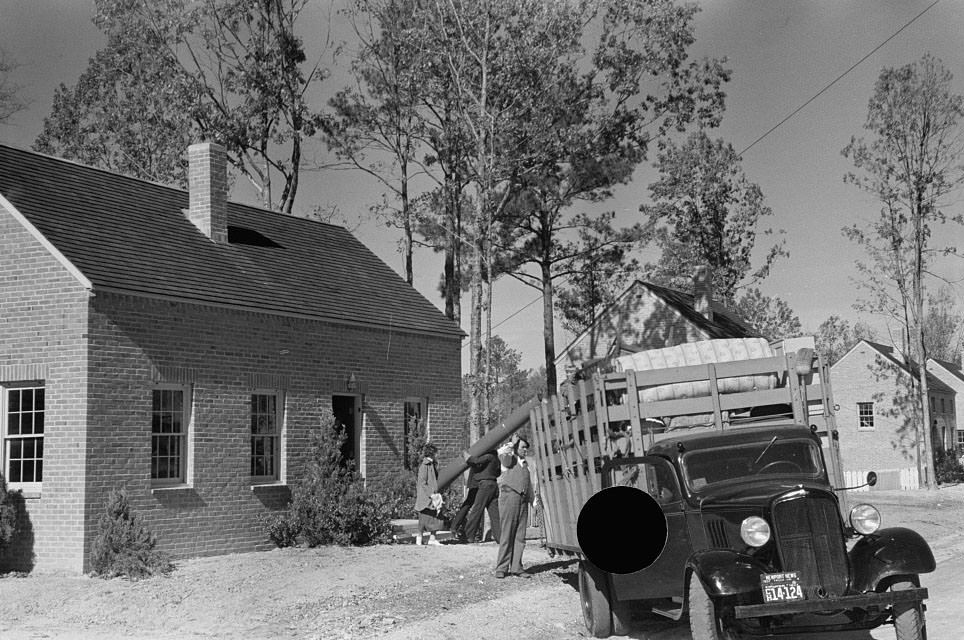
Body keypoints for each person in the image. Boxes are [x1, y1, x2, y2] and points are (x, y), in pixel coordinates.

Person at [494, 435, 540, 578]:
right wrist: (511, 444)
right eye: (522, 447)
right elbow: (502, 453)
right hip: (509, 499)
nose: (525, 450)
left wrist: (533, 501)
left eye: (526, 447)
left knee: (520, 536)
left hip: (523, 501)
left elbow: (529, 485)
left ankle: (516, 567)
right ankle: (501, 568)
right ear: (515, 447)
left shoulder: (525, 464)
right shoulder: (508, 459)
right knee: (507, 534)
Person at [462, 447, 501, 543]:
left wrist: (467, 456)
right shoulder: (496, 459)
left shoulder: (488, 456)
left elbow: (475, 461)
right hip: (494, 485)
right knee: (494, 514)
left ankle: (469, 536)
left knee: (477, 509)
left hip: (485, 486)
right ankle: (500, 538)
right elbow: (498, 472)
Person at [414, 443, 443, 546]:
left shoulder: (432, 464)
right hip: (426, 496)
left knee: (436, 516)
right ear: (432, 453)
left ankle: (432, 538)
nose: (437, 454)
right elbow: (422, 482)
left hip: (433, 495)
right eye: (436, 453)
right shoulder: (424, 466)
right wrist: (431, 494)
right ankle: (419, 537)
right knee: (424, 517)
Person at [448, 462, 479, 543]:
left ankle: (455, 526)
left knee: (468, 505)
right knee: (476, 508)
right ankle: (466, 531)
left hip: (474, 482)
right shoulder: (482, 454)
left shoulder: (477, 453)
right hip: (477, 483)